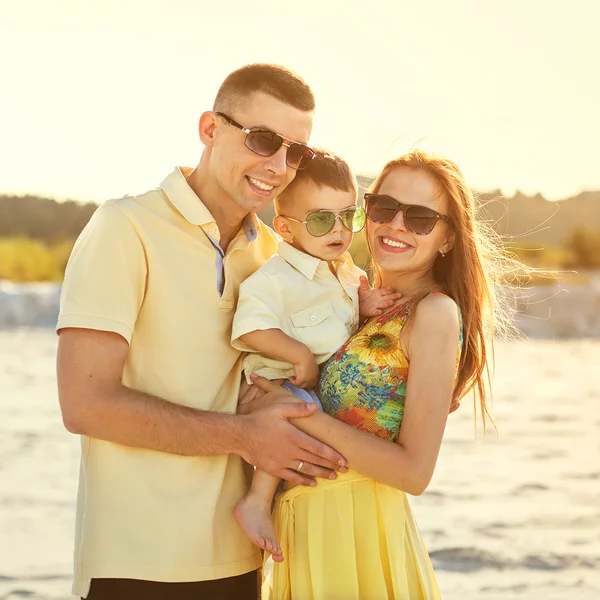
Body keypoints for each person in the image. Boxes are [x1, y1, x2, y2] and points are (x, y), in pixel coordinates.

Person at [55, 63, 350, 600]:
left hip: (244, 561)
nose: (279, 166)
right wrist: (244, 435)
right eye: (263, 140)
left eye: (296, 152)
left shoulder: (277, 257)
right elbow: (84, 403)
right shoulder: (125, 227)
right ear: (210, 129)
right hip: (135, 563)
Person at [240, 150, 516, 599]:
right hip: (302, 525)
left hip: (356, 529)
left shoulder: (435, 314)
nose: (397, 225)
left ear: (447, 238)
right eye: (384, 208)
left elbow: (414, 472)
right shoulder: (350, 301)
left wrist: (293, 412)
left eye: (422, 217)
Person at [230, 148, 401, 562]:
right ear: (286, 229)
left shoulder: (347, 273)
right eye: (323, 219)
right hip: (282, 382)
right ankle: (257, 499)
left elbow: (342, 320)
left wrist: (365, 304)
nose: (339, 229)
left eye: (349, 216)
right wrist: (298, 354)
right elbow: (250, 327)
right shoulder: (274, 279)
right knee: (300, 411)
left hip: (326, 382)